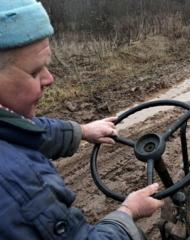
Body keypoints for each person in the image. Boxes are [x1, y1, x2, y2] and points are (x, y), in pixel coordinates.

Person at [0, 1, 163, 239]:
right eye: (34, 72)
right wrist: (127, 213)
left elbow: (24, 131)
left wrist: (82, 131)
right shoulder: (18, 183)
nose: (50, 79)